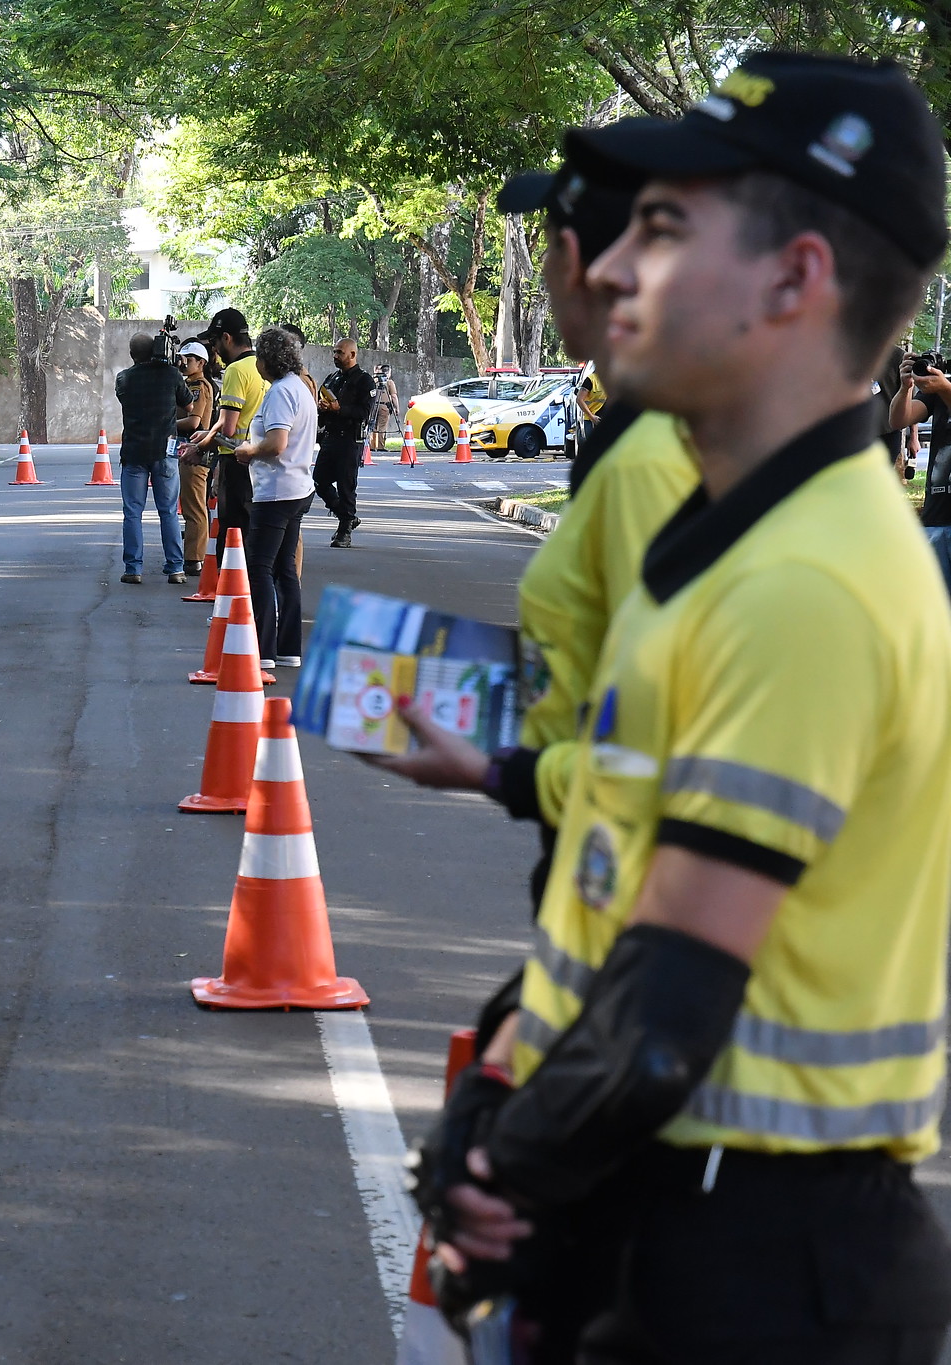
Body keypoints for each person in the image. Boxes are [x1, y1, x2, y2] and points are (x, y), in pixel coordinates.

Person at [414, 53, 951, 1360]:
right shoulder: (722, 541)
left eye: (660, 229)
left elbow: (669, 1003)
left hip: (760, 1258)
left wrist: (504, 1166)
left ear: (794, 277)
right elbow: (622, 867)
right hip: (681, 1201)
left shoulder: (803, 583)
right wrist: (500, 1074)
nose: (602, 272)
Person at [371, 142, 701, 1355]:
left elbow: (678, 764)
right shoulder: (642, 442)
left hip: (638, 976)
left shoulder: (664, 462)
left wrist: (504, 768)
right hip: (590, 920)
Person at [234, 326, 314, 668]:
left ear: (267, 360)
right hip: (296, 488)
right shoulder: (300, 388)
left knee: (260, 568)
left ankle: (264, 649)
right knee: (284, 569)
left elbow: (277, 443)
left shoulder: (281, 392)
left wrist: (250, 450)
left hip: (277, 492)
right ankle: (288, 648)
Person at [181, 309, 265, 555]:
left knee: (232, 534)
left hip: (235, 461)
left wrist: (200, 446)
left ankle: (228, 588)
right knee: (251, 533)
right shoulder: (260, 366)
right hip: (260, 461)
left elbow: (228, 426)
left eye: (215, 342)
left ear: (227, 338)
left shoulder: (236, 371)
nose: (214, 350)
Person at [114, 332, 193, 583]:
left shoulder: (123, 379)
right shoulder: (170, 374)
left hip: (134, 452)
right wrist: (173, 369)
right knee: (168, 511)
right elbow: (189, 406)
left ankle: (133, 569)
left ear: (131, 355)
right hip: (165, 450)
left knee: (132, 512)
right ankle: (175, 568)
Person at [886, 350, 951, 586]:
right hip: (937, 516)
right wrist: (906, 387)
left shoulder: (944, 387)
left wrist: (944, 389)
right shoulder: (943, 383)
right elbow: (898, 419)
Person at [316, 339, 374, 547]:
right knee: (319, 481)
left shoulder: (364, 381)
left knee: (345, 485)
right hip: (330, 437)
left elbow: (365, 412)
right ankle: (347, 516)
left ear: (352, 355)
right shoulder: (332, 379)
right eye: (334, 352)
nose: (335, 356)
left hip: (349, 439)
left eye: (340, 352)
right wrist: (323, 408)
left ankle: (344, 531)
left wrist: (340, 408)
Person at [175, 341, 219, 571]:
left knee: (194, 507)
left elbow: (194, 421)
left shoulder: (199, 386)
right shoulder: (189, 383)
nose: (183, 363)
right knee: (191, 504)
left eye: (188, 359)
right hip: (188, 447)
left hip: (195, 447)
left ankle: (194, 557)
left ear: (201, 363)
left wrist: (166, 425)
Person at [371, 364, 400, 446]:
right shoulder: (389, 382)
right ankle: (380, 446)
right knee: (382, 427)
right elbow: (394, 396)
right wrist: (397, 408)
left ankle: (372, 445)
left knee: (373, 426)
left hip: (374, 406)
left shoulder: (373, 381)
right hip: (384, 407)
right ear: (388, 372)